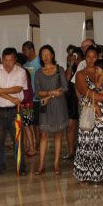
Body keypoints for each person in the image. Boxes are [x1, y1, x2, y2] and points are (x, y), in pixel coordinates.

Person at [73, 47, 103, 183]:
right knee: (89, 145)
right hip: (91, 114)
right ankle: (87, 175)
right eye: (88, 57)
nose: (91, 60)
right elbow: (85, 91)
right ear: (84, 57)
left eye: (94, 57)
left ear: (99, 57)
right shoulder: (80, 74)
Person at [0, 47, 28, 176]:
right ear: (2, 59)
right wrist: (11, 97)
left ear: (15, 60)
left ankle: (21, 167)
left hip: (14, 112)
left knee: (18, 140)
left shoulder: (21, 72)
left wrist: (1, 91)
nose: (7, 63)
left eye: (10, 60)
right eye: (5, 60)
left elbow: (18, 89)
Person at [34, 45, 68, 175]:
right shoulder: (38, 72)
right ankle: (41, 164)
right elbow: (37, 93)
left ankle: (56, 164)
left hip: (58, 105)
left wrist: (51, 95)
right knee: (44, 134)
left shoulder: (59, 70)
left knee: (58, 134)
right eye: (43, 55)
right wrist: (49, 93)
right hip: (45, 106)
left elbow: (64, 88)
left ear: (52, 55)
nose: (46, 57)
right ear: (40, 57)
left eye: (48, 54)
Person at [22, 41, 43, 155]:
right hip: (28, 99)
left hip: (38, 98)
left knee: (37, 123)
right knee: (30, 123)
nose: (24, 53)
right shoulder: (24, 64)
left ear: (31, 49)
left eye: (24, 50)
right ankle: (33, 144)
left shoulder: (39, 62)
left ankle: (39, 143)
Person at [64, 48, 84, 159]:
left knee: (82, 127)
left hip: (81, 99)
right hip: (71, 100)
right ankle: (70, 150)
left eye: (77, 58)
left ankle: (81, 150)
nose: (75, 60)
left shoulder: (84, 68)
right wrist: (71, 65)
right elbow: (67, 80)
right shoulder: (70, 69)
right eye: (73, 58)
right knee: (70, 127)